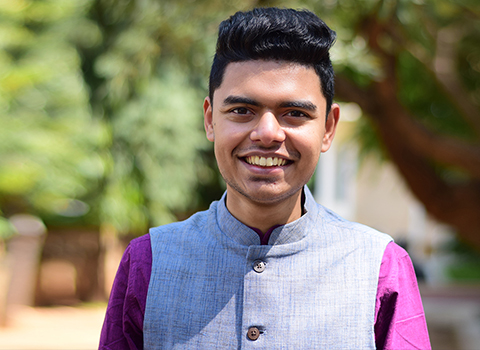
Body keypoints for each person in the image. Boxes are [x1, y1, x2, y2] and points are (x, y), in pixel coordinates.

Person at [99, 7, 431, 350]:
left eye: (295, 114)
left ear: (328, 128)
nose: (268, 133)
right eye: (242, 111)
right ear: (210, 119)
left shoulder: (379, 267)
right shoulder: (149, 263)